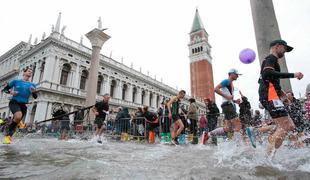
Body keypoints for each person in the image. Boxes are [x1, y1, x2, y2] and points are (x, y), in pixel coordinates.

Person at [257, 39, 303, 155]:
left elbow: (268, 81)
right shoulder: (271, 58)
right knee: (285, 127)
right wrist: (293, 75)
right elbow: (267, 74)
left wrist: (283, 95)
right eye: (284, 48)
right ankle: (268, 156)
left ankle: (268, 138)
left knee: (290, 126)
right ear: (277, 46)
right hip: (269, 96)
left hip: (271, 96)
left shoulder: (271, 61)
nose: (285, 51)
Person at [205, 69, 242, 143]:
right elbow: (216, 89)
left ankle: (208, 135)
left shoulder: (231, 84)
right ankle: (239, 145)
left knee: (228, 128)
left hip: (228, 105)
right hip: (227, 106)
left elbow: (228, 97)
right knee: (238, 125)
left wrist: (235, 101)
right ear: (231, 74)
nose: (238, 76)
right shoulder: (227, 81)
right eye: (236, 74)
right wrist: (227, 96)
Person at [1, 67, 37, 144]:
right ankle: (7, 134)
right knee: (18, 116)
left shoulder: (32, 84)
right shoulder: (15, 81)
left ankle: (9, 137)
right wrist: (11, 92)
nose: (30, 72)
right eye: (29, 71)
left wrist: (33, 92)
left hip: (23, 105)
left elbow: (35, 96)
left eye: (31, 71)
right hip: (14, 102)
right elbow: (5, 89)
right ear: (24, 73)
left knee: (16, 121)